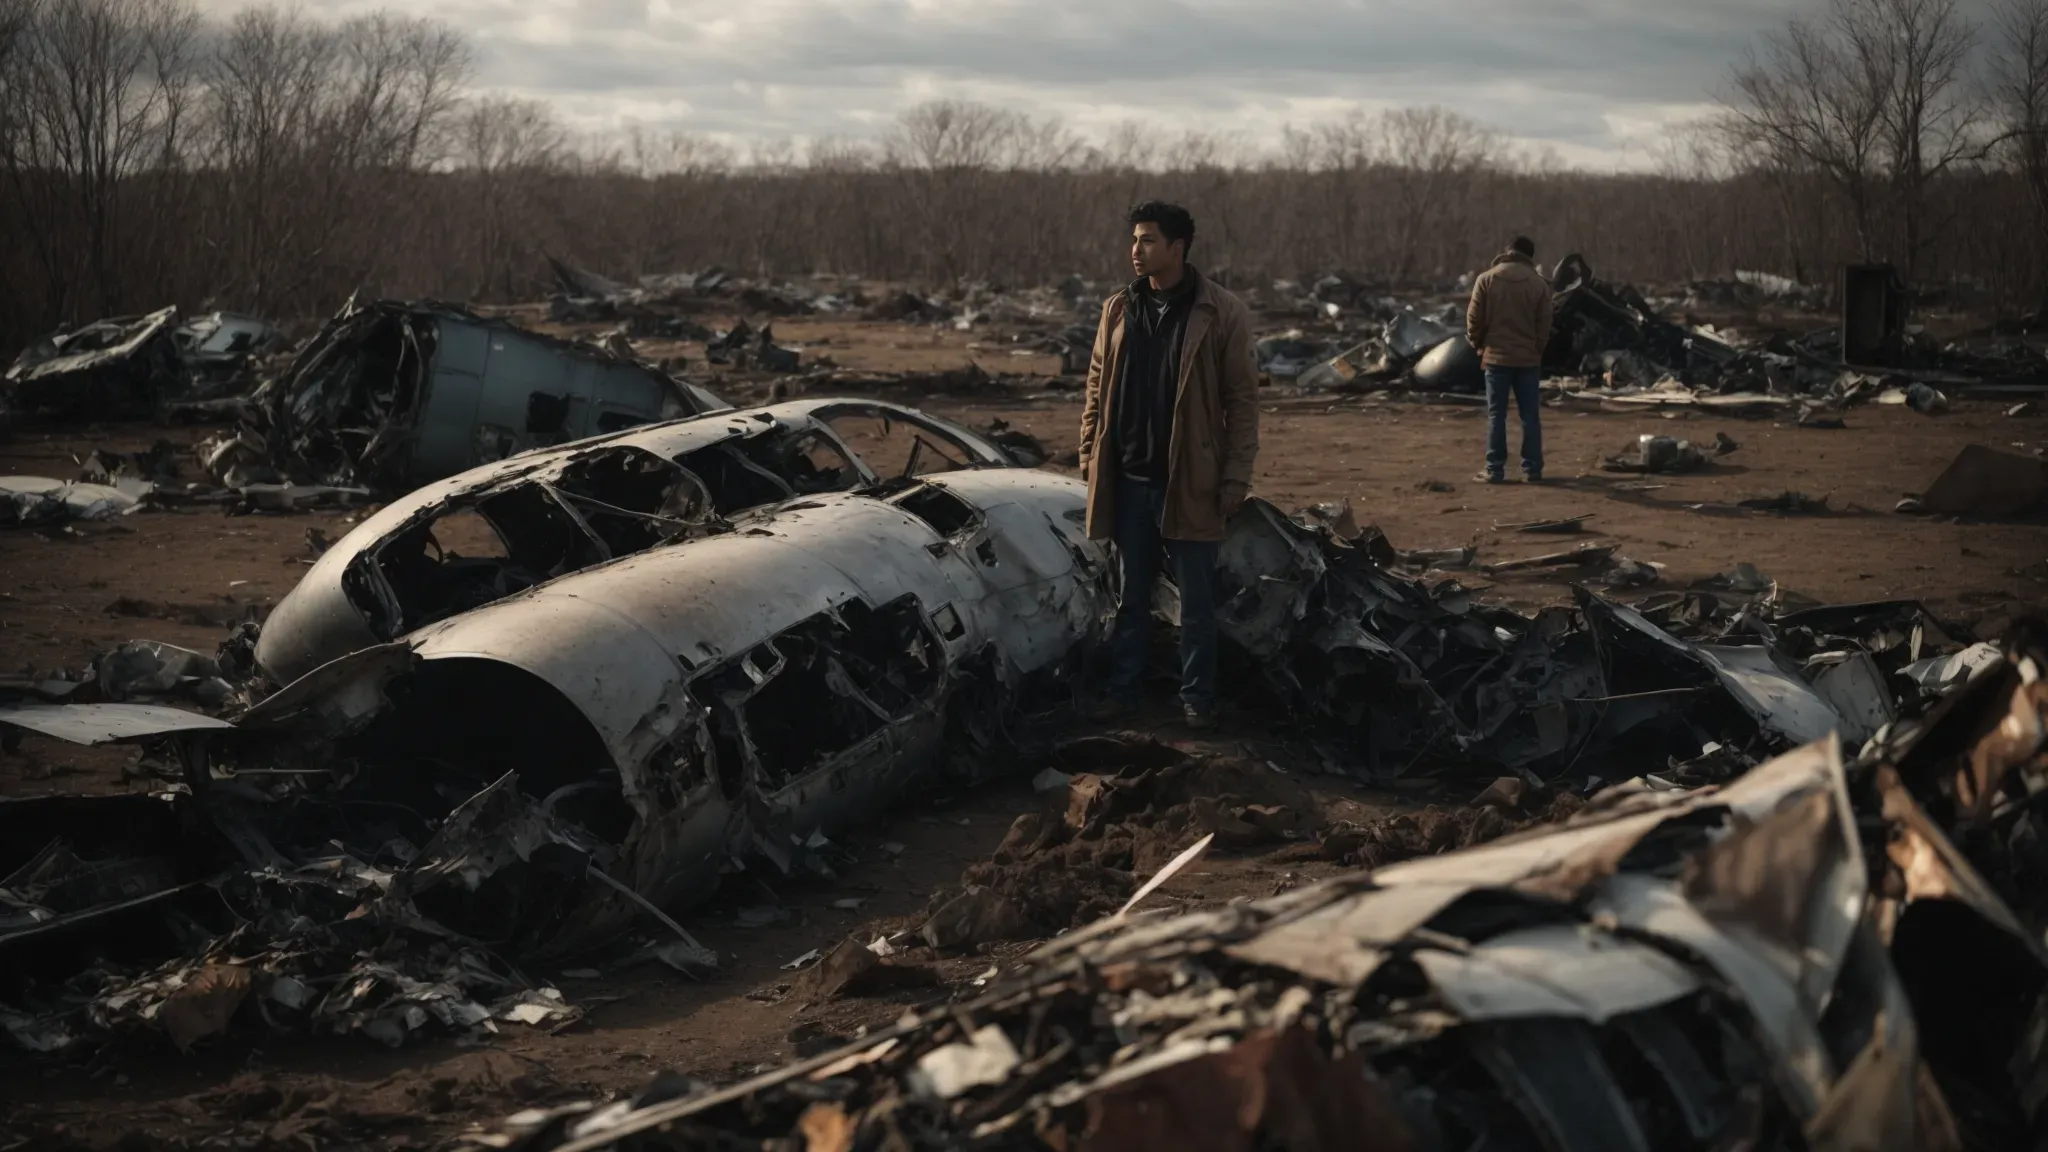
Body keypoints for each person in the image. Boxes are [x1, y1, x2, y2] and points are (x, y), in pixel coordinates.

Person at [1076, 201, 1260, 729]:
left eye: (1149, 241)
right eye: (1134, 240)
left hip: (1191, 483)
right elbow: (1095, 383)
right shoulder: (1118, 309)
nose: (1136, 251)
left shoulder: (1220, 312)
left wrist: (1234, 477)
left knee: (1196, 606)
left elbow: (1242, 402)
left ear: (1177, 249)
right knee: (1130, 599)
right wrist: (1090, 452)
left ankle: (1197, 702)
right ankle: (1124, 694)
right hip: (1129, 480)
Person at [1465, 235, 1555, 483]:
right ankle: (1532, 470)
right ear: (1530, 257)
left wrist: (1479, 344)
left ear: (1508, 251)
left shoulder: (1487, 279)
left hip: (1496, 358)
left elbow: (1473, 318)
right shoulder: (1539, 285)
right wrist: (1537, 348)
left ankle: (1494, 470)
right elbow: (1545, 324)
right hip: (1527, 360)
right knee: (1530, 416)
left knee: (1497, 415)